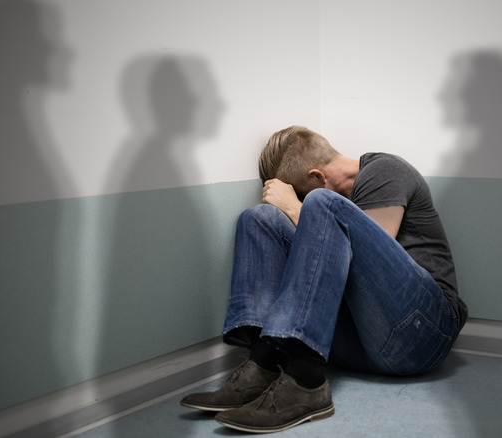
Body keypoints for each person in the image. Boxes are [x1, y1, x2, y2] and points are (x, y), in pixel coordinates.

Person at [181, 126, 468, 433]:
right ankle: (265, 363)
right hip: (361, 341)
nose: (303, 203)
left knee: (323, 204)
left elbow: (370, 258)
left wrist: (295, 207)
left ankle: (306, 381)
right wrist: (285, 211)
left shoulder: (386, 171)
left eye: (302, 191)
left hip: (423, 334)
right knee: (259, 219)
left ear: (317, 175)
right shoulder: (328, 199)